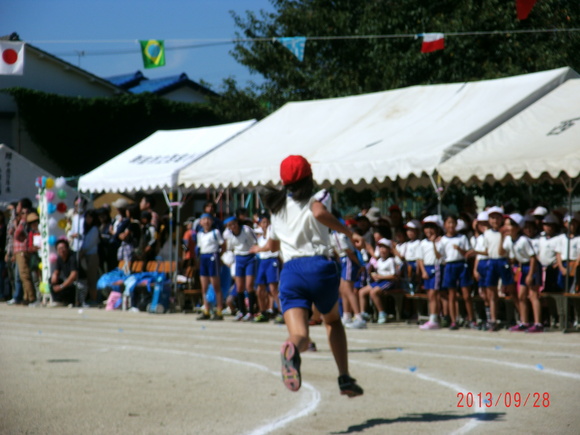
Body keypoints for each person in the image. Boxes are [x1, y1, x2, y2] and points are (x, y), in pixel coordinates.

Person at [260, 155, 363, 397]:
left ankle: (292, 348)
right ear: (309, 178)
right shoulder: (315, 200)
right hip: (319, 267)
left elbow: (273, 246)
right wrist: (349, 231)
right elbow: (318, 214)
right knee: (333, 321)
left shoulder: (276, 208)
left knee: (300, 334)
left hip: (291, 272)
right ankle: (344, 377)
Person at [439, 215, 476, 330]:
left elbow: (468, 253)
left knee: (466, 294)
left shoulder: (462, 238)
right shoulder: (443, 240)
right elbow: (442, 256)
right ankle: (453, 320)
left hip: (461, 264)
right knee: (452, 295)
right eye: (448, 223)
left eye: (453, 223)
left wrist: (460, 250)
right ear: (445, 225)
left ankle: (471, 319)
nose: (451, 225)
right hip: (449, 266)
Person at [482, 206, 515, 331]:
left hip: (503, 261)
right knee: (492, 293)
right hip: (492, 261)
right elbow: (488, 251)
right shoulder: (487, 233)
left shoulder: (506, 232)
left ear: (501, 218)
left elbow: (504, 251)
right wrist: (474, 252)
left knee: (511, 291)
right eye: (492, 217)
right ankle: (493, 319)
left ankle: (517, 318)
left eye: (497, 217)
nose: (494, 220)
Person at [509, 215, 544, 333]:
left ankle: (538, 323)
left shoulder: (523, 240)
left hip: (532, 267)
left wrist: (530, 274)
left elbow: (533, 257)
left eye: (510, 225)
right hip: (523, 266)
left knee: (533, 295)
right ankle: (524, 322)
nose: (507, 227)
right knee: (521, 296)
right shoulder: (512, 240)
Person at [330, 218, 365, 329]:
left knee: (349, 290)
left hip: (348, 260)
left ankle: (359, 317)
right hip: (344, 260)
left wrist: (359, 264)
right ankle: (346, 315)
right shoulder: (334, 235)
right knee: (343, 289)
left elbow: (349, 252)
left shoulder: (340, 235)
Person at [224, 215, 258, 321]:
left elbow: (255, 241)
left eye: (234, 224)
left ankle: (251, 312)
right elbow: (230, 248)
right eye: (230, 225)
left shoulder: (246, 230)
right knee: (239, 287)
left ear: (237, 223)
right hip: (239, 259)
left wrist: (253, 251)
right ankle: (242, 311)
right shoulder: (229, 235)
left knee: (249, 285)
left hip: (249, 258)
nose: (233, 226)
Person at [358, 238, 400, 325]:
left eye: (384, 248)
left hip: (389, 282)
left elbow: (394, 276)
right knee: (362, 292)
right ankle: (363, 314)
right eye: (380, 248)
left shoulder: (391, 260)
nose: (382, 250)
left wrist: (381, 276)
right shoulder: (379, 260)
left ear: (389, 250)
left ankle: (382, 313)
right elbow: (377, 272)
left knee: (373, 292)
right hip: (379, 281)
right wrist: (374, 275)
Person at [252, 215, 283, 323]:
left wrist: (258, 249)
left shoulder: (271, 232)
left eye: (266, 222)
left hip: (272, 261)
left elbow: (269, 247)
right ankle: (263, 311)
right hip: (263, 262)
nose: (265, 225)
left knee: (273, 288)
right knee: (260, 289)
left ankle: (281, 311)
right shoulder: (260, 238)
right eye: (263, 222)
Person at [196, 213, 226, 321]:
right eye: (204, 219)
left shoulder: (215, 232)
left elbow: (222, 244)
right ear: (200, 222)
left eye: (208, 219)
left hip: (212, 256)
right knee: (204, 286)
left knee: (215, 285)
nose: (206, 222)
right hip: (203, 257)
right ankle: (206, 309)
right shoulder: (200, 234)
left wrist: (220, 256)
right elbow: (199, 247)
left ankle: (219, 310)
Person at [418, 216, 444, 330]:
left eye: (431, 227)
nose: (428, 230)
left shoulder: (441, 241)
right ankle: (433, 317)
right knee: (430, 295)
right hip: (427, 268)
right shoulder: (423, 243)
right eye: (426, 227)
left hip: (436, 267)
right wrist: (423, 271)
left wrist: (434, 243)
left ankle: (434, 319)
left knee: (434, 294)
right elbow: (420, 259)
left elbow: (439, 256)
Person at [13, 198, 36, 305]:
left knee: (24, 274)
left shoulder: (24, 220)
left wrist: (21, 220)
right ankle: (26, 296)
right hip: (19, 250)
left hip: (22, 250)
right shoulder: (19, 219)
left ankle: (31, 297)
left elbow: (16, 234)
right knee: (22, 275)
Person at [472, 211, 491, 328]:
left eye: (485, 223)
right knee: (482, 293)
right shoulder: (479, 238)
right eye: (480, 224)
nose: (483, 226)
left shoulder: (492, 236)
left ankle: (491, 319)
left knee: (490, 293)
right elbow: (478, 257)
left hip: (489, 263)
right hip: (481, 265)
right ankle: (487, 318)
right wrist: (475, 269)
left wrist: (475, 252)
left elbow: (487, 252)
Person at [79, 209, 100, 304]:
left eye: (90, 217)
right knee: (86, 278)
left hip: (91, 256)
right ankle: (87, 298)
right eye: (86, 217)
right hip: (84, 256)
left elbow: (89, 244)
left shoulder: (94, 229)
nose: (88, 219)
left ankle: (94, 298)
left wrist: (82, 253)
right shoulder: (85, 229)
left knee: (92, 278)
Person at [50, 239, 78, 307]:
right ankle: (57, 300)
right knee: (51, 280)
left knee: (70, 285)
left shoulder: (72, 257)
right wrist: (55, 275)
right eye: (59, 248)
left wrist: (61, 286)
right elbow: (57, 271)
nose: (61, 250)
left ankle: (69, 301)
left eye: (63, 248)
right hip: (66, 280)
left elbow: (73, 275)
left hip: (76, 282)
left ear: (67, 248)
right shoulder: (59, 258)